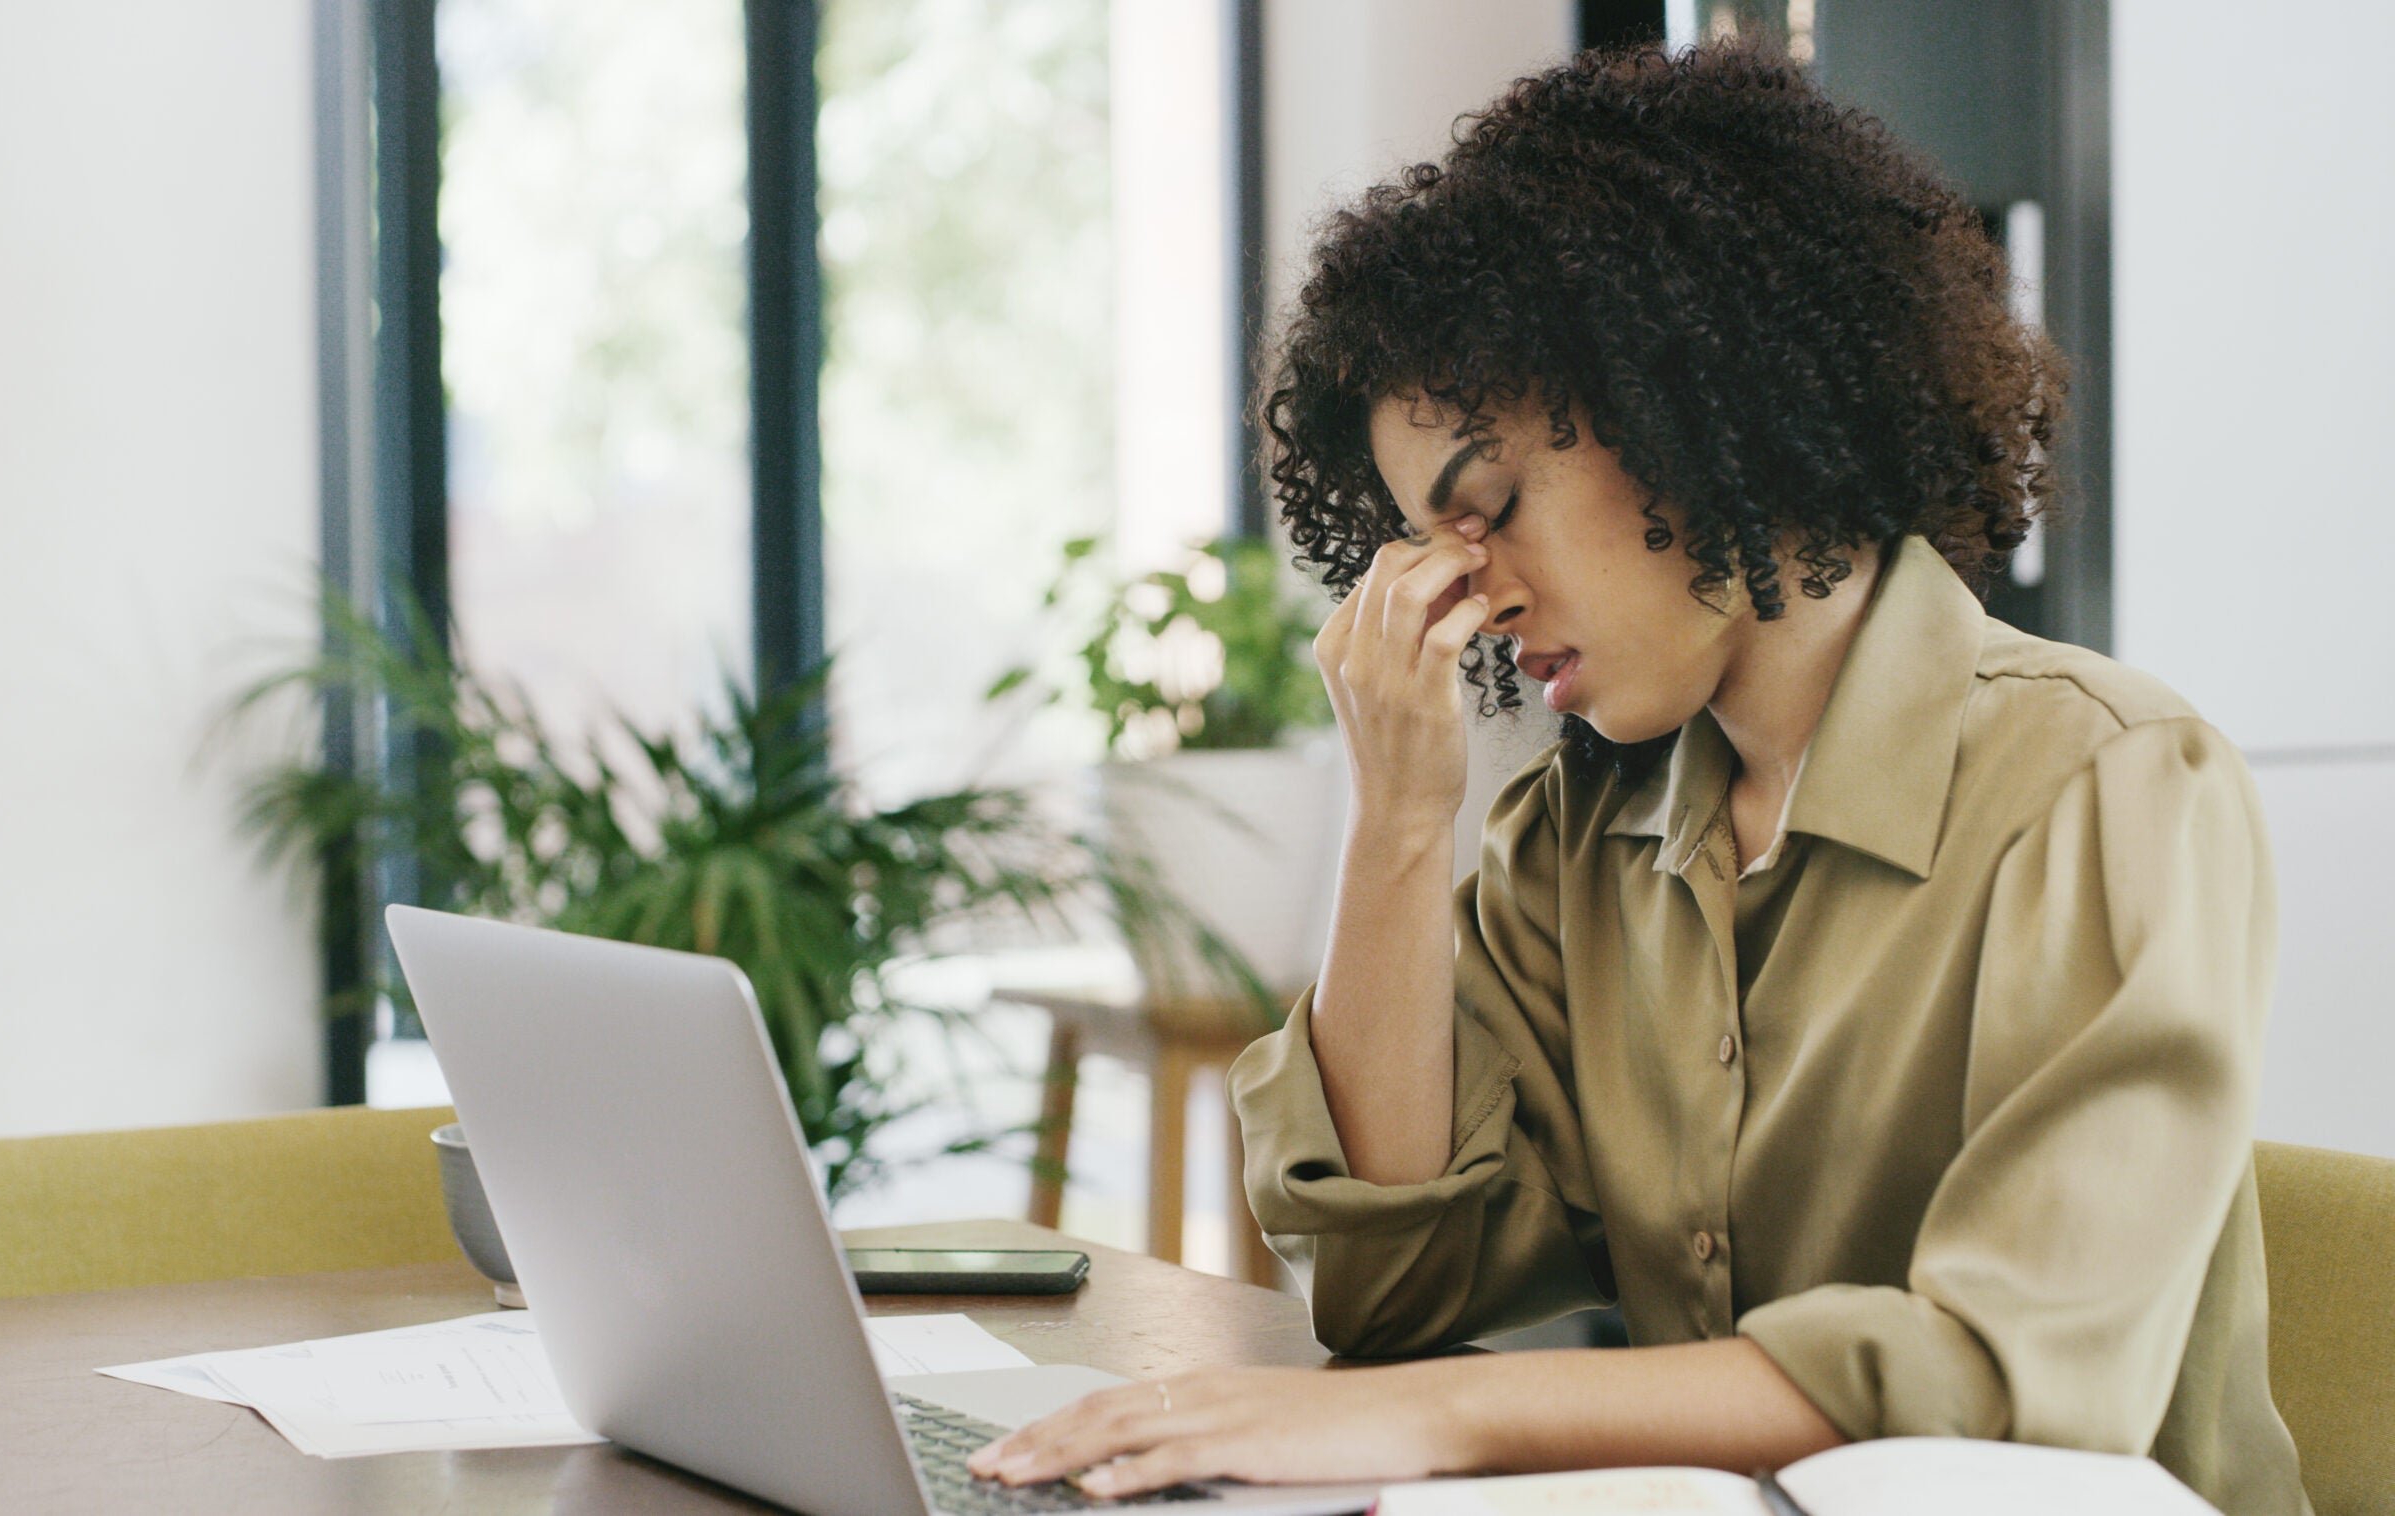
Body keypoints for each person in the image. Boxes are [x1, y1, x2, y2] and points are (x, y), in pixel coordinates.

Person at [970, 38, 2309, 1515]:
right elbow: (1395, 1286)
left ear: (1692, 402)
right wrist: (1403, 828)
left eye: (1490, 510)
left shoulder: (2109, 785)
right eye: (1429, 547)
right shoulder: (1581, 836)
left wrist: (1437, 1422)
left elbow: (2002, 1380)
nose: (1470, 596)